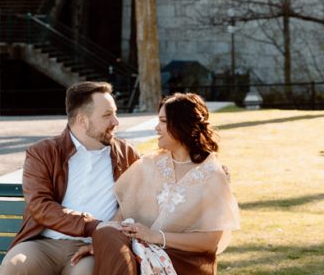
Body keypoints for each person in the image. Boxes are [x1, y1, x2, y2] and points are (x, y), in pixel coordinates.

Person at [71, 93, 240, 275]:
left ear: (183, 125)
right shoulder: (149, 164)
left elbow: (210, 241)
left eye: (163, 121)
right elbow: (121, 216)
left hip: (183, 260)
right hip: (140, 251)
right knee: (105, 232)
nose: (156, 128)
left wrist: (156, 236)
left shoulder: (213, 175)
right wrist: (102, 244)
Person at [0, 81, 141, 275]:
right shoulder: (43, 152)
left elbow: (135, 202)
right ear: (82, 120)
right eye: (107, 115)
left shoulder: (126, 155)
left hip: (92, 247)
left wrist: (105, 234)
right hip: (43, 245)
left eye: (115, 113)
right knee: (13, 266)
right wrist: (93, 225)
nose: (116, 122)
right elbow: (40, 205)